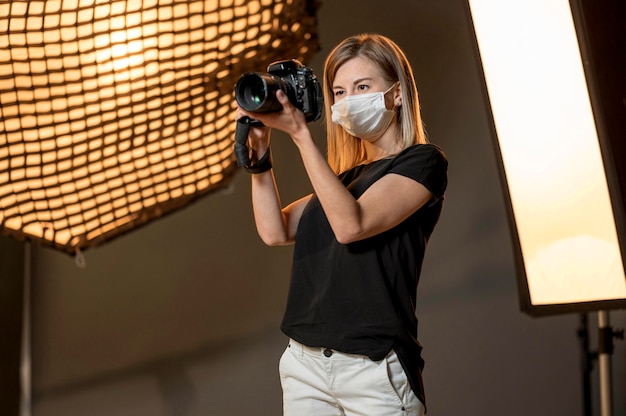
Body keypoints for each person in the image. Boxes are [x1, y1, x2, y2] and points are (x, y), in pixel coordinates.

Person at [236, 33, 447, 416]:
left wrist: (300, 136)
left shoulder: (423, 163)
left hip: (373, 366)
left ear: (396, 93)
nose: (348, 100)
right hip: (306, 365)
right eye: (339, 91)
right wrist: (261, 152)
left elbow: (352, 225)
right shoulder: (343, 179)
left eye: (362, 86)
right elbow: (274, 231)